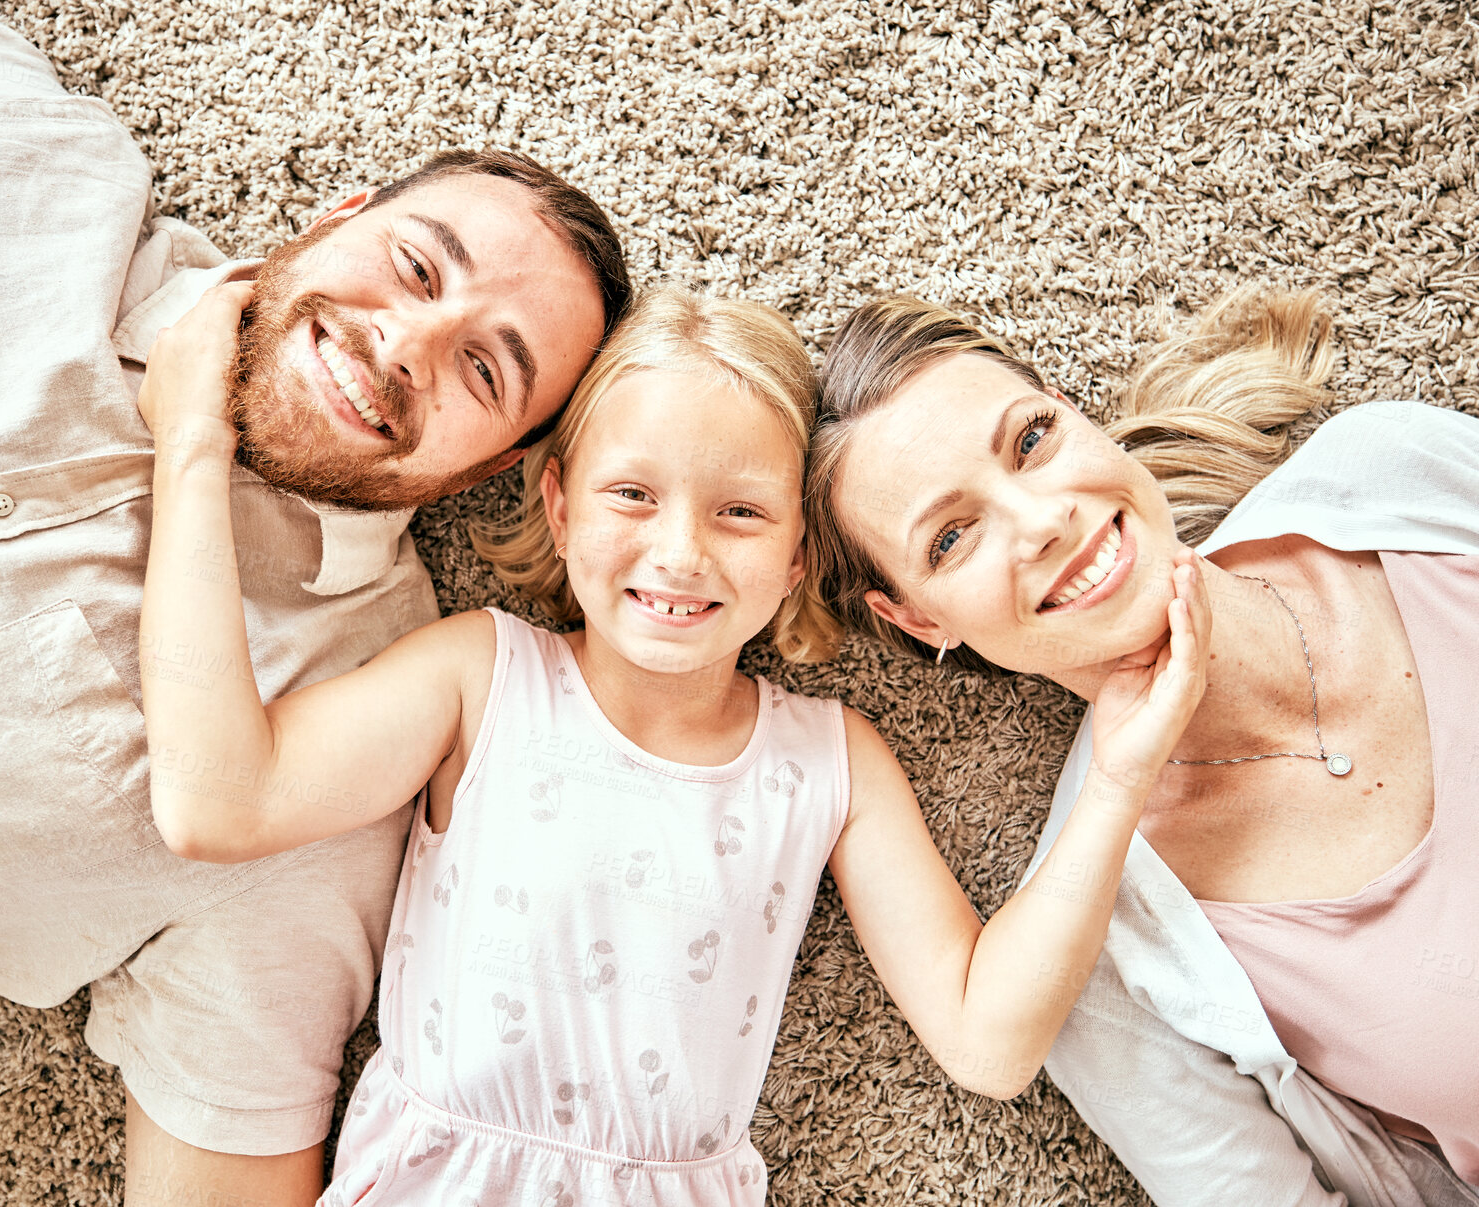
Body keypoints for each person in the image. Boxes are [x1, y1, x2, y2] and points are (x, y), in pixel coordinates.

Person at [136, 281, 1211, 1205]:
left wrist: (1117, 779)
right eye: (633, 496)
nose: (680, 552)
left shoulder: (831, 762)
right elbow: (222, 798)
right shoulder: (483, 675)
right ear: (558, 507)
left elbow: (988, 1039)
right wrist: (192, 451)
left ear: (798, 555)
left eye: (741, 512)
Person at [0, 1, 629, 1202]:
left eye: (483, 368)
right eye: (415, 265)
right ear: (336, 217)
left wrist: (191, 442)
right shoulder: (10, 143)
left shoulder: (330, 752)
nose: (408, 340)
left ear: (493, 469)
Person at [804, 288, 1479, 1207]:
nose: (1041, 520)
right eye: (953, 537)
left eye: (1032, 441)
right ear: (918, 618)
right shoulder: (1100, 953)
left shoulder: (1399, 474)